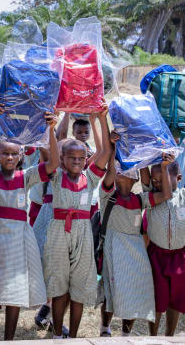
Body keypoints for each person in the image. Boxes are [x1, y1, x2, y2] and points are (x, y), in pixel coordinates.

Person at [0, 110, 56, 340]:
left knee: (16, 289)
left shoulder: (27, 176)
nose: (9, 157)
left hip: (19, 238)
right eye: (4, 153)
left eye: (14, 153)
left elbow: (54, 163)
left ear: (21, 155)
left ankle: (8, 340)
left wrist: (48, 129)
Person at [41, 105, 110, 339]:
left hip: (82, 232)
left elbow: (103, 152)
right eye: (72, 158)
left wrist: (98, 120)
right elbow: (50, 153)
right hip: (59, 231)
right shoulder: (56, 175)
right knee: (59, 286)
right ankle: (58, 334)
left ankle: (73, 337)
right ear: (62, 159)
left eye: (82, 158)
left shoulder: (89, 177)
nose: (78, 162)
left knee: (79, 289)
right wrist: (51, 129)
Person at [97, 132, 160, 337]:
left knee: (133, 288)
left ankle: (125, 333)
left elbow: (155, 188)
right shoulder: (108, 195)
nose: (129, 172)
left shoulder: (139, 199)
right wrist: (114, 148)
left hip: (135, 249)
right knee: (111, 289)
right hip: (113, 246)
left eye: (132, 171)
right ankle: (105, 328)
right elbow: (109, 170)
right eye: (124, 169)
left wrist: (143, 155)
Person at [145, 157, 185, 336]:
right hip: (156, 255)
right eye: (155, 180)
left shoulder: (183, 197)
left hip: (179, 256)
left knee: (175, 298)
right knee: (156, 298)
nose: (158, 184)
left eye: (163, 180)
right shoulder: (152, 195)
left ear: (178, 178)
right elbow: (145, 176)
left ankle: (170, 336)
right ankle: (152, 336)